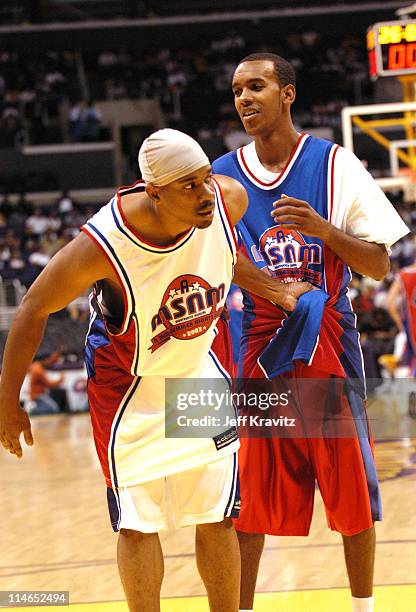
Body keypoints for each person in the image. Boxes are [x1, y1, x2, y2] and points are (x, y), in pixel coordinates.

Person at [0, 127, 308, 612]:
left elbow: (224, 257)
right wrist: (7, 403)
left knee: (216, 517)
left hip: (197, 372)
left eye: (207, 178)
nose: (206, 193)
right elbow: (33, 308)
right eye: (190, 186)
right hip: (130, 389)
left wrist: (275, 288)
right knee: (139, 524)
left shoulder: (226, 201)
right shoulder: (103, 245)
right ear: (155, 192)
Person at [212, 53, 410, 612]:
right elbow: (214, 258)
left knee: (350, 484)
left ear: (288, 93)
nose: (244, 99)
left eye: (257, 86)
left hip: (328, 340)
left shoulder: (333, 165)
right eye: (236, 92)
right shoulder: (221, 174)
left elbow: (377, 264)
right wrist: (273, 291)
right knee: (249, 493)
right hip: (257, 344)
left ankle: (362, 608)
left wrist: (324, 230)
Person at [28, 351, 64, 415]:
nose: (48, 361)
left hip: (38, 393)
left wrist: (57, 353)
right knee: (54, 409)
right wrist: (60, 379)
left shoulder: (36, 365)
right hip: (38, 395)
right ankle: (33, 411)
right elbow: (49, 384)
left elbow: (50, 362)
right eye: (47, 359)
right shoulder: (38, 370)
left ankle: (36, 409)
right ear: (43, 360)